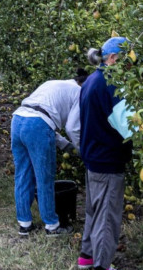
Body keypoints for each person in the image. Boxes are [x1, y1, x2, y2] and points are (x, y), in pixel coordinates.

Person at [77, 36, 136, 270]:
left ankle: (87, 255)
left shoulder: (92, 80)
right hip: (108, 158)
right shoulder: (112, 85)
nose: (130, 67)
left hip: (93, 155)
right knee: (107, 214)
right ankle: (102, 269)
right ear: (113, 58)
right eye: (127, 61)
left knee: (95, 208)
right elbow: (129, 127)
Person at [10, 69, 88, 237]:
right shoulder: (80, 92)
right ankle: (52, 226)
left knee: (22, 174)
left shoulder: (53, 84)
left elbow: (44, 119)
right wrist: (83, 150)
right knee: (44, 177)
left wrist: (67, 147)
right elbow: (72, 128)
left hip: (17, 120)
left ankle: (24, 224)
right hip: (37, 125)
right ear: (84, 84)